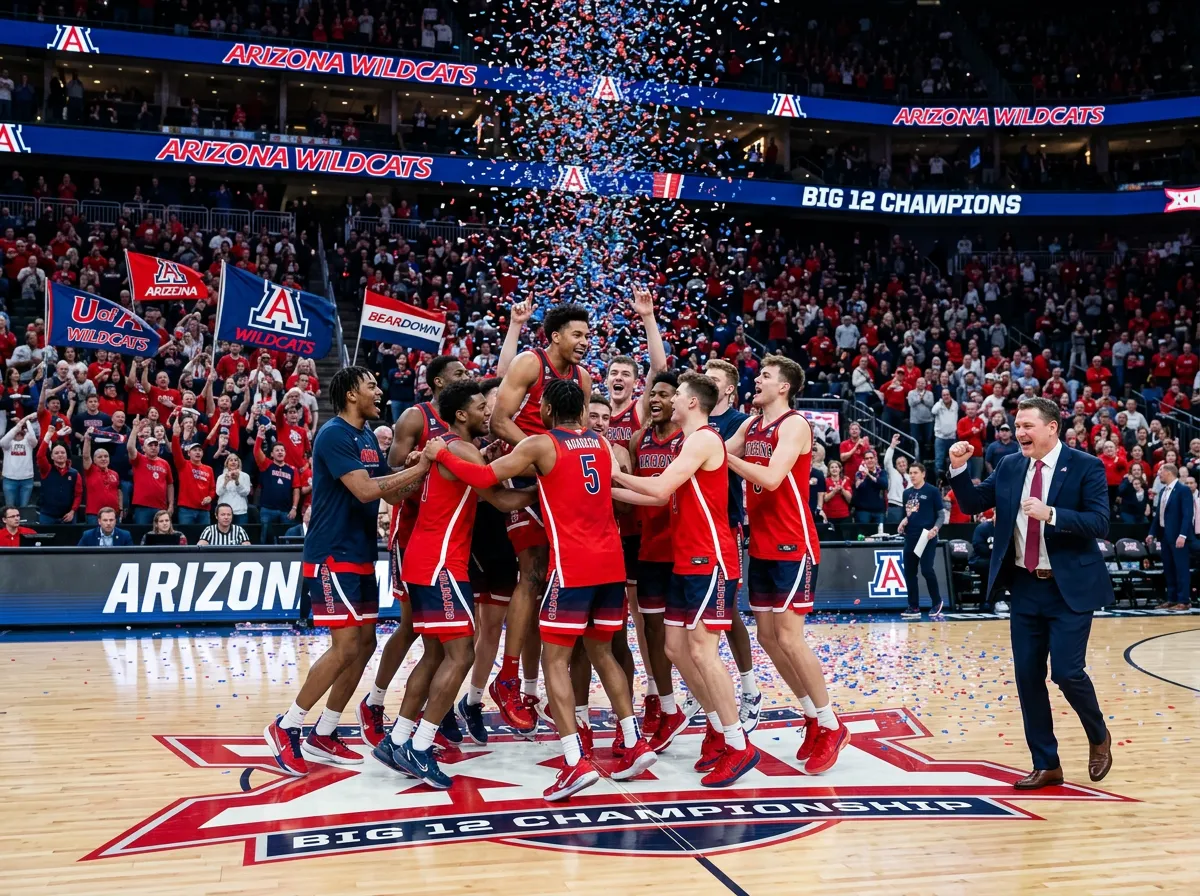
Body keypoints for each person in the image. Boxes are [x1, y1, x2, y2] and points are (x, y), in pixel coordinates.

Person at [426, 378, 655, 801]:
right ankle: (633, 739)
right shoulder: (602, 445)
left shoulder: (540, 444)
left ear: (546, 410)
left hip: (572, 566)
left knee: (555, 661)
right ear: (582, 412)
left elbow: (485, 476)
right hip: (611, 565)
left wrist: (440, 452)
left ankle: (573, 760)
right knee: (604, 653)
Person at [265, 366, 432, 777]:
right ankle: (287, 724)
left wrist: (412, 470)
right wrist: (421, 468)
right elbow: (365, 489)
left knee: (365, 644)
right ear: (351, 394)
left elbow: (387, 486)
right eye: (371, 385)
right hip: (331, 553)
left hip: (359, 552)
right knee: (344, 647)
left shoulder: (367, 437)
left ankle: (325, 730)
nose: (379, 391)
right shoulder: (334, 434)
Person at [372, 381, 535, 788]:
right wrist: (546, 488)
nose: (488, 412)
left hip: (425, 560)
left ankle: (397, 739)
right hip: (441, 565)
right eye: (481, 407)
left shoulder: (452, 447)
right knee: (461, 656)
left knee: (433, 657)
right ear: (461, 415)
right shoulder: (459, 450)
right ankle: (420, 745)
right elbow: (501, 499)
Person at [948, 396, 1113, 790]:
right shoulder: (1010, 465)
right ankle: (1047, 763)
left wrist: (1051, 514)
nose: (1018, 432)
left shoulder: (1086, 466)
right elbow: (972, 503)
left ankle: (1098, 734)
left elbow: (1100, 523)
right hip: (1024, 585)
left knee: (1067, 673)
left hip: (1068, 587)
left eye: (1027, 426)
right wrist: (958, 467)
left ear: (1052, 427)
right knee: (1027, 676)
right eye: (1017, 425)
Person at [613, 373, 758, 787]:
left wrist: (614, 473)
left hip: (710, 559)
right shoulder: (686, 442)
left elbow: (660, 485)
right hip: (686, 560)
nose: (671, 399)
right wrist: (607, 490)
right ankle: (717, 726)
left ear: (692, 402)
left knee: (703, 651)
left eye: (677, 394)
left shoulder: (704, 440)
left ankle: (738, 744)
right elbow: (660, 496)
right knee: (674, 647)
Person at [726, 355, 848, 775]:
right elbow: (715, 451)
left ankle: (831, 724)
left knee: (790, 638)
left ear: (784, 387)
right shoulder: (751, 425)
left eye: (765, 376)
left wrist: (722, 457)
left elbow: (771, 477)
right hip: (761, 544)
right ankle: (811, 714)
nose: (756, 380)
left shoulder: (794, 425)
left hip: (793, 544)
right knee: (768, 637)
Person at [489, 303, 593, 731]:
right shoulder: (530, 363)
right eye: (577, 335)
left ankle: (538, 686)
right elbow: (499, 421)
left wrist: (560, 462)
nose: (584, 342)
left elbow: (580, 431)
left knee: (553, 581)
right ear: (555, 337)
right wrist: (539, 456)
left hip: (558, 479)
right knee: (531, 572)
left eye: (587, 335)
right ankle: (507, 678)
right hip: (525, 477)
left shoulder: (583, 378)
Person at [356, 353, 469, 749]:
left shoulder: (463, 422)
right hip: (412, 534)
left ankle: (436, 707)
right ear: (438, 382)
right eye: (458, 373)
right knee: (412, 628)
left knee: (441, 635)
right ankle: (374, 701)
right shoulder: (415, 417)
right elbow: (390, 475)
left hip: (448, 534)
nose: (466, 376)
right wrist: (416, 463)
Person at [628, 372, 687, 751]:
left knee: (691, 640)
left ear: (677, 400)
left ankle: (711, 710)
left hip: (684, 548)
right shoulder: (639, 440)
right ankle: (667, 707)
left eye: (664, 395)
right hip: (650, 548)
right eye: (652, 394)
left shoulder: (689, 439)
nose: (655, 400)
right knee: (652, 633)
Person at [704, 357, 761, 731]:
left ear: (728, 388)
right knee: (692, 614)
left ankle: (750, 688)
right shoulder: (690, 418)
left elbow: (723, 459)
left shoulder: (741, 423)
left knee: (727, 613)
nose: (705, 383)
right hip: (691, 525)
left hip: (725, 523)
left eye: (713, 379)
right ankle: (702, 687)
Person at [897, 463, 945, 620]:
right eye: (910, 473)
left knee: (926, 569)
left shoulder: (932, 491)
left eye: (915, 472)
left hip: (927, 536)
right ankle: (913, 606)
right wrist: (904, 521)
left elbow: (941, 514)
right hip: (911, 536)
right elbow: (910, 513)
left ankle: (937, 601)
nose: (912, 475)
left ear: (923, 474)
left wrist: (935, 529)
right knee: (909, 572)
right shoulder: (907, 493)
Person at [1148, 463, 1192, 612]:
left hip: (1178, 537)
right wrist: (1152, 533)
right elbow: (1159, 516)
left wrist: (1183, 535)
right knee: (1169, 569)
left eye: (1160, 472)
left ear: (1168, 472)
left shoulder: (1183, 490)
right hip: (1165, 536)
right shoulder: (1163, 491)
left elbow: (1187, 515)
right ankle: (1172, 599)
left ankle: (1184, 600)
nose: (1158, 475)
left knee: (1181, 569)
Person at [127, 421, 174, 525]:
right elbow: (130, 447)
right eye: (150, 445)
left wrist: (171, 504)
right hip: (142, 507)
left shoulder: (165, 463)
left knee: (160, 533)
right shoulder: (139, 459)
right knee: (142, 532)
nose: (153, 447)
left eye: (156, 445)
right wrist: (135, 430)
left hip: (161, 507)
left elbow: (170, 484)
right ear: (143, 448)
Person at [35, 428, 82, 525]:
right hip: (47, 515)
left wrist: (72, 511)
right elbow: (40, 456)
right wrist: (48, 436)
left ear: (66, 455)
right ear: (52, 456)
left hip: (68, 516)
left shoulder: (74, 473)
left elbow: (78, 495)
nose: (60, 455)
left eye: (62, 452)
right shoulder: (47, 469)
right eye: (56, 453)